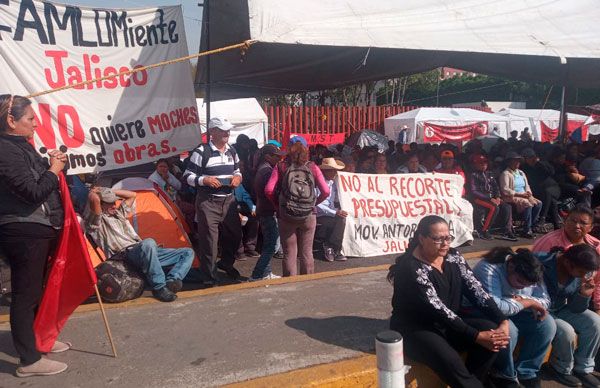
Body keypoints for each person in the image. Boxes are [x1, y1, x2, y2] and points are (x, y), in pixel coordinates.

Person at [388, 215, 510, 388]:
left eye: (448, 238)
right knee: (453, 363)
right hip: (417, 329)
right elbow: (438, 309)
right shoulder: (411, 269)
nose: (445, 243)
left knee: (493, 334)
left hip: (447, 325)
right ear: (422, 239)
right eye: (438, 239)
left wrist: (501, 320)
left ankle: (475, 382)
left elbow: (477, 291)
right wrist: (476, 336)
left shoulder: (453, 257)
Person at [0, 94, 70, 377]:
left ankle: (38, 341)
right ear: (11, 120)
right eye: (30, 118)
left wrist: (51, 163)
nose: (36, 123)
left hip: (36, 227)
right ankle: (29, 360)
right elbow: (32, 191)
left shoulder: (20, 147)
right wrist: (53, 170)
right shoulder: (5, 150)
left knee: (35, 291)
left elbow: (41, 181)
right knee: (25, 294)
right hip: (22, 229)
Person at [87, 187, 194, 302]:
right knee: (149, 243)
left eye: (114, 202)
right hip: (124, 256)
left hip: (142, 251)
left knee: (188, 252)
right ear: (101, 205)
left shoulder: (119, 213)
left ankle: (171, 281)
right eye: (109, 203)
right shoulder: (96, 222)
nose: (114, 205)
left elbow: (132, 194)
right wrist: (94, 192)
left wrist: (110, 191)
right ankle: (159, 288)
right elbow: (94, 200)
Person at [473, 247, 555, 388]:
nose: (521, 287)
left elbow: (545, 301)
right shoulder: (488, 267)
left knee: (547, 324)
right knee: (508, 331)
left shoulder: (533, 271)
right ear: (510, 267)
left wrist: (523, 299)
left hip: (517, 311)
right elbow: (496, 307)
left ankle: (527, 371)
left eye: (528, 285)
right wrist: (529, 302)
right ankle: (503, 374)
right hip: (486, 313)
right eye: (520, 282)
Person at [183, 117, 243, 285]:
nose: (227, 133)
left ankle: (226, 263)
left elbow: (238, 170)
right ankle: (209, 276)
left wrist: (238, 178)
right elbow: (187, 176)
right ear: (212, 132)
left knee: (235, 235)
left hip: (228, 201)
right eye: (223, 130)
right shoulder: (201, 152)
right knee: (209, 241)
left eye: (228, 130)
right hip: (208, 202)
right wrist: (205, 180)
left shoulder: (232, 150)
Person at [535, 244, 600, 387]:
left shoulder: (580, 272)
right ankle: (560, 368)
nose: (584, 276)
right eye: (581, 272)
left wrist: (583, 295)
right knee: (566, 330)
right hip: (538, 310)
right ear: (567, 262)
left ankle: (583, 368)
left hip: (559, 308)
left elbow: (575, 308)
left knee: (595, 322)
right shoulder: (540, 262)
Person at [265, 136, 330, 276]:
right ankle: (307, 283)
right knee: (307, 252)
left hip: (286, 214)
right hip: (308, 215)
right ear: (306, 149)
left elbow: (269, 190)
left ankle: (290, 285)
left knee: (289, 252)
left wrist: (277, 206)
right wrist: (313, 203)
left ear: (289, 149)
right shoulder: (313, 167)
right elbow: (326, 191)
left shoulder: (281, 166)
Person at [249, 144, 284, 281]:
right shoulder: (267, 171)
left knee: (270, 243)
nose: (280, 159)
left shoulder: (263, 169)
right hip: (268, 210)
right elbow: (270, 192)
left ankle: (265, 272)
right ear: (268, 156)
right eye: (277, 156)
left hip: (264, 209)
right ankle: (258, 274)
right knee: (272, 245)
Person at [468, 154, 517, 242]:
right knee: (493, 208)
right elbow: (474, 191)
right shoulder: (473, 175)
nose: (484, 165)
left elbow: (495, 186)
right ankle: (483, 231)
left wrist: (497, 196)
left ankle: (506, 230)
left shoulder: (489, 174)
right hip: (478, 199)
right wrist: (490, 198)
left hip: (491, 198)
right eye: (481, 163)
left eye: (485, 163)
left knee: (507, 207)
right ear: (475, 164)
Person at [499, 151, 542, 239]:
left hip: (524, 194)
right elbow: (505, 189)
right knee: (527, 204)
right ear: (509, 162)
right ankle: (527, 230)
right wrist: (520, 195)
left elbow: (527, 185)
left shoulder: (521, 173)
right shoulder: (505, 174)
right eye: (515, 161)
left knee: (539, 203)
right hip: (513, 196)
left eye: (518, 161)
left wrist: (529, 192)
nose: (517, 163)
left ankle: (531, 225)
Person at [315, 157, 347, 262]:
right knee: (339, 220)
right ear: (325, 171)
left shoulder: (333, 184)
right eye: (332, 170)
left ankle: (331, 246)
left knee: (343, 218)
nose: (335, 172)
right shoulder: (317, 183)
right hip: (319, 214)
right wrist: (335, 212)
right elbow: (318, 204)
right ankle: (332, 246)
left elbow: (333, 201)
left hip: (330, 212)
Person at [520, 148, 561, 230]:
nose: (530, 159)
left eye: (531, 157)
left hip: (552, 188)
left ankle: (543, 217)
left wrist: (539, 163)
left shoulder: (541, 164)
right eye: (528, 158)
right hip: (539, 191)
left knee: (548, 193)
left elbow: (551, 172)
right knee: (552, 202)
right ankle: (556, 226)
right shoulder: (525, 168)